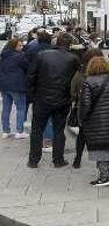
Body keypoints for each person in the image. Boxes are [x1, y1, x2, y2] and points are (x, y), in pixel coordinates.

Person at [26, 32, 79, 168]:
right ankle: (58, 159)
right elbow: (75, 81)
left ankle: (33, 160)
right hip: (62, 100)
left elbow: (31, 76)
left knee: (37, 130)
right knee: (58, 130)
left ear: (56, 42)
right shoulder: (73, 59)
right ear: (69, 45)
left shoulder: (42, 55)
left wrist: (32, 96)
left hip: (42, 99)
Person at [78, 56, 109, 186]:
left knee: (99, 148)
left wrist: (82, 118)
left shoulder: (88, 82)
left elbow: (86, 104)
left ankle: (103, 177)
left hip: (96, 122)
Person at [70, 48, 106, 168]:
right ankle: (99, 162)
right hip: (101, 109)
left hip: (84, 109)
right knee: (100, 136)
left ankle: (78, 158)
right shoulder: (106, 76)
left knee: (82, 135)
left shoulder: (80, 73)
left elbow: (73, 92)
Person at [0, 37, 30, 139]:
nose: (22, 47)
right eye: (19, 46)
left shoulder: (3, 56)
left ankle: (5, 130)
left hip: (4, 86)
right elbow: (28, 67)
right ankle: (19, 131)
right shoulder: (20, 56)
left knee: (6, 109)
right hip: (18, 86)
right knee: (21, 108)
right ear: (14, 46)